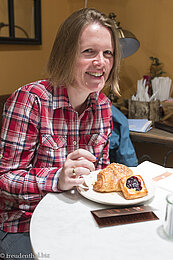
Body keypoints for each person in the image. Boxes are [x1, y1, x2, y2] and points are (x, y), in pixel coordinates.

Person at [0, 8, 121, 259]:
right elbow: (5, 179)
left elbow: (99, 174)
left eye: (107, 53)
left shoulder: (103, 107)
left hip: (78, 219)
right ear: (65, 54)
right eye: (89, 52)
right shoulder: (30, 100)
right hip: (22, 226)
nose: (101, 62)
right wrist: (58, 179)